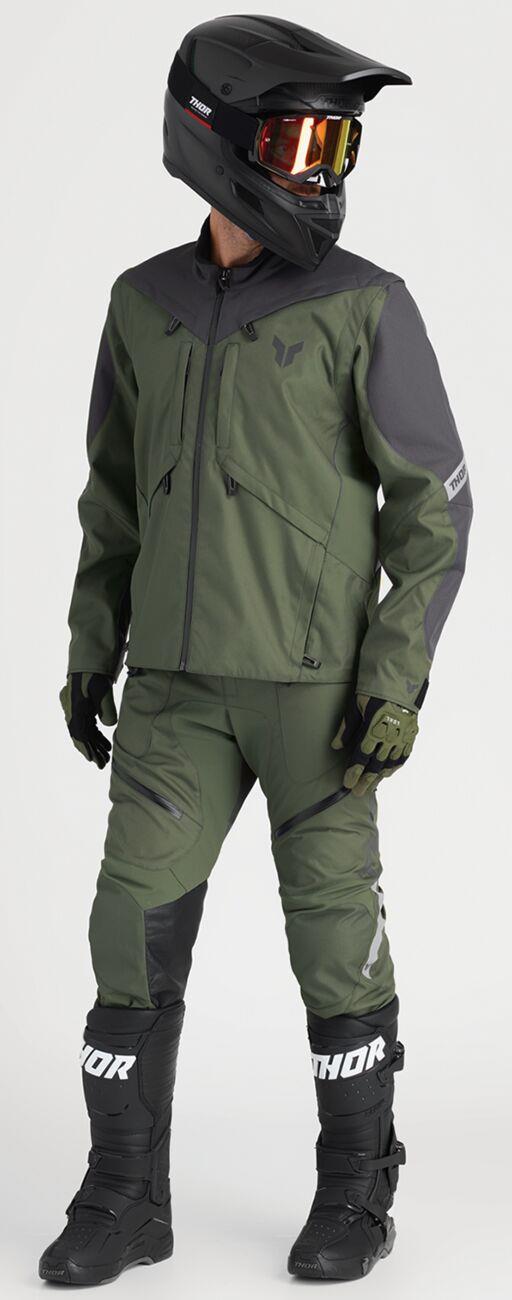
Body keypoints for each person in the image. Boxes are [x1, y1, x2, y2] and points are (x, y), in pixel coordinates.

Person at [39, 14, 472, 1287]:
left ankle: (356, 1187)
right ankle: (124, 1196)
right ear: (213, 140)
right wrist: (91, 643)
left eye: (335, 148)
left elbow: (434, 507)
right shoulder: (145, 304)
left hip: (317, 701)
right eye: (297, 143)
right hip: (172, 695)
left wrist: (392, 680)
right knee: (127, 930)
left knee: (333, 940)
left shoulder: (364, 304)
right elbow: (112, 495)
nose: (319, 172)